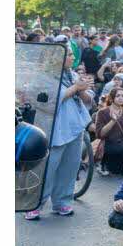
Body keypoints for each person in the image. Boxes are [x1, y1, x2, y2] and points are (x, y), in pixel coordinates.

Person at [26, 66, 93, 220]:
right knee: (48, 169)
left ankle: (62, 202)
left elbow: (89, 100)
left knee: (69, 167)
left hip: (75, 127)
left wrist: (81, 90)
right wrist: (76, 87)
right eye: (68, 53)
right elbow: (48, 102)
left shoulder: (73, 75)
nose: (71, 57)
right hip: (54, 129)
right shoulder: (43, 76)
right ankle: (34, 204)